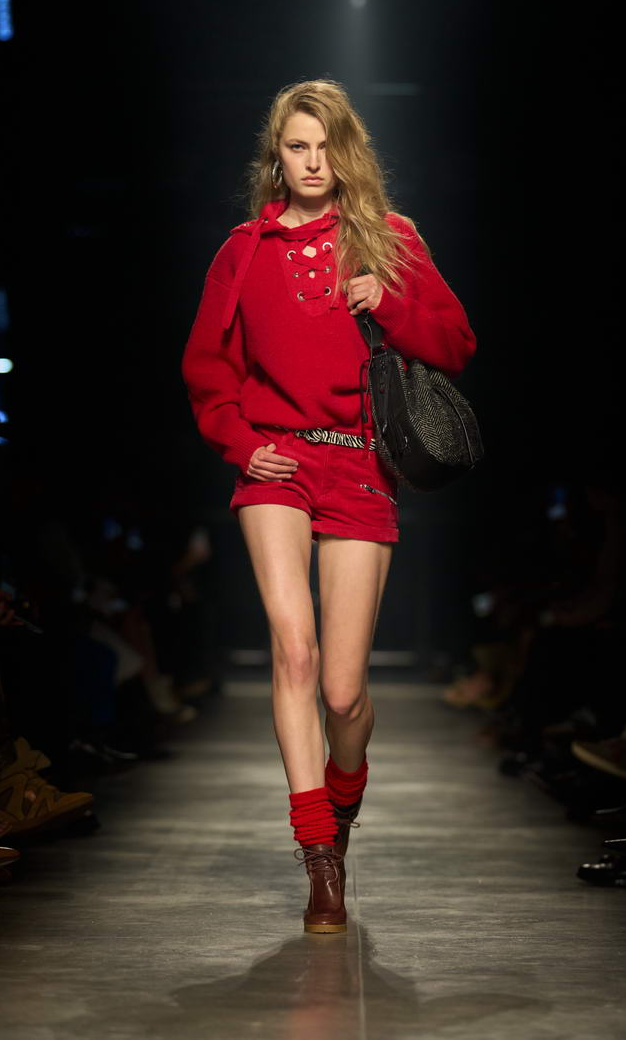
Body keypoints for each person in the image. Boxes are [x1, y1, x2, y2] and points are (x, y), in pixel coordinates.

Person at [181, 78, 476, 933]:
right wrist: (241, 443)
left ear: (347, 154)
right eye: (296, 147)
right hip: (277, 463)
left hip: (360, 465)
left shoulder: (389, 239)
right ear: (276, 158)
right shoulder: (244, 250)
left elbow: (457, 344)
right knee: (296, 654)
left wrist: (390, 302)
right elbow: (207, 368)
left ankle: (340, 810)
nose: (312, 162)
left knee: (345, 695)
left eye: (325, 147)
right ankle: (319, 860)